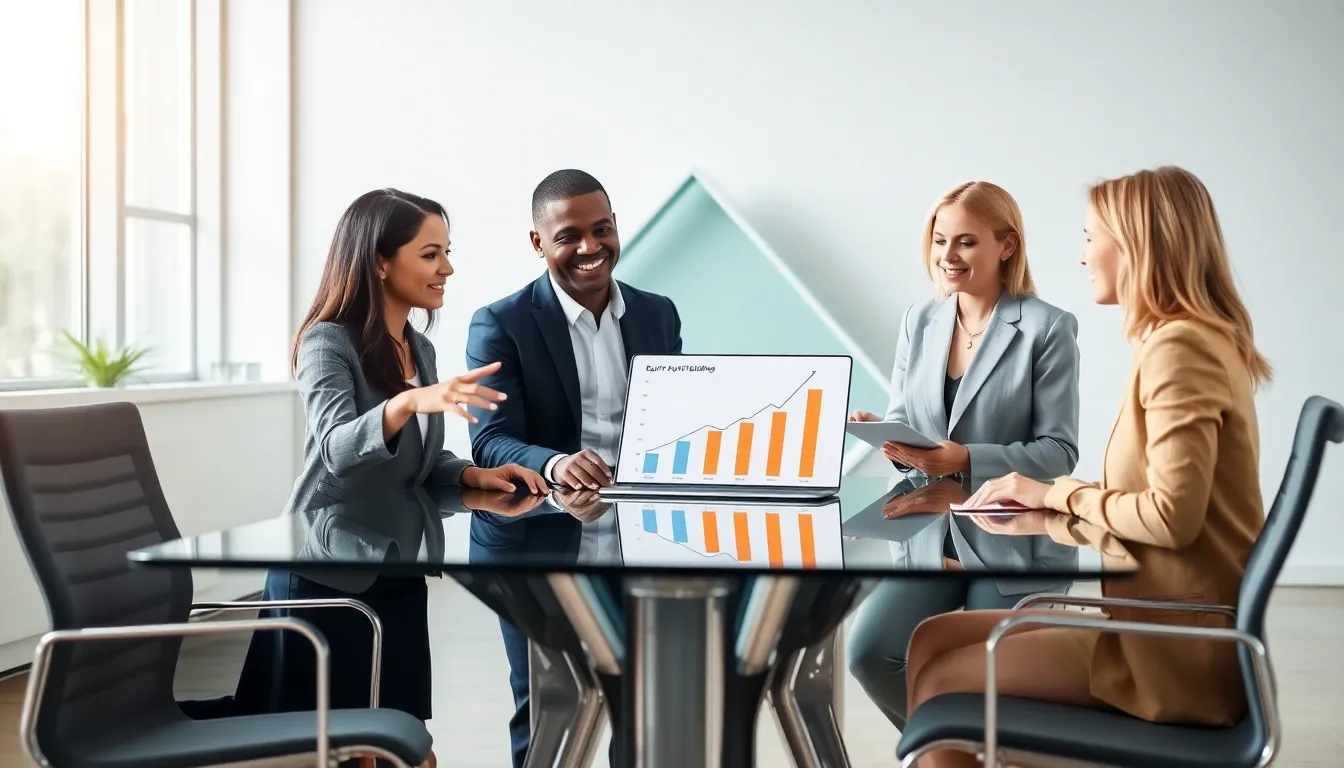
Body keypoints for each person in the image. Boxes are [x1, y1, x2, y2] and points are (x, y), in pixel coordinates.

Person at [906, 166, 1271, 767]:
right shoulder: (1180, 339)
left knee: (944, 679)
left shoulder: (1181, 349)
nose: (1082, 256)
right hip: (1150, 615)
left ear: (1137, 244)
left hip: (1172, 647)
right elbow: (1158, 501)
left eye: (1090, 237)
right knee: (931, 639)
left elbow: (1172, 518)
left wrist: (1059, 496)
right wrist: (1049, 513)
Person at [230, 189, 546, 768]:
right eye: (430, 254)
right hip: (325, 576)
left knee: (409, 746)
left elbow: (418, 461)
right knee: (349, 752)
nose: (447, 268)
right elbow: (336, 448)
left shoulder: (418, 348)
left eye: (447, 252)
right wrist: (407, 403)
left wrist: (474, 472)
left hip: (396, 571)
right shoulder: (328, 341)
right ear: (380, 261)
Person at [464, 169, 682, 767]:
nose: (591, 247)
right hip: (540, 540)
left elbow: (674, 420)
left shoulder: (657, 314)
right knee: (550, 710)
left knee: (645, 709)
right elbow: (491, 442)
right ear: (538, 243)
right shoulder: (501, 323)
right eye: (569, 236)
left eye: (602, 229)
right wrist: (558, 464)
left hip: (641, 539)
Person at [844, 181, 1082, 728]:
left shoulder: (1047, 328)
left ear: (1007, 245)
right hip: (930, 536)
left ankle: (976, 749)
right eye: (939, 240)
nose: (947, 256)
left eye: (966, 242)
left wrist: (964, 459)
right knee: (870, 653)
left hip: (1013, 544)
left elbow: (1059, 452)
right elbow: (909, 425)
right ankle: (948, 754)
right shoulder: (920, 320)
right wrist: (889, 438)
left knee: (982, 680)